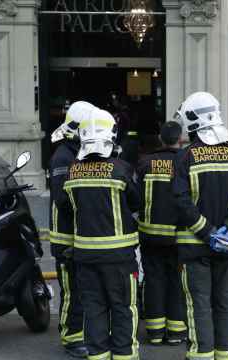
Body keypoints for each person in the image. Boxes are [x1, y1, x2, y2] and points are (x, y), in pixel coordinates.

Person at [172, 91, 228, 360]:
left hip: (194, 246)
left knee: (199, 305)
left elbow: (180, 200)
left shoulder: (186, 157)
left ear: (193, 122)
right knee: (225, 304)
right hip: (227, 245)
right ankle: (226, 355)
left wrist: (206, 232)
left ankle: (200, 356)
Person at [62, 108, 141, 360]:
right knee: (123, 308)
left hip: (85, 255)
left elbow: (64, 206)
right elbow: (137, 202)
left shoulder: (72, 170)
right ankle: (124, 356)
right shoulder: (121, 169)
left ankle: (97, 355)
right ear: (112, 135)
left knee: (93, 309)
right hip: (119, 257)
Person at [48, 101, 94, 358]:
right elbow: (62, 199)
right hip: (66, 239)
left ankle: (81, 333)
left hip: (80, 236)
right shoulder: (63, 156)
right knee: (72, 292)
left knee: (83, 290)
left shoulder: (78, 152)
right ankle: (72, 338)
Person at [135, 121, 187, 346]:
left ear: (160, 138)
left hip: (149, 235)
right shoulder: (185, 161)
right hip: (178, 236)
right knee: (176, 281)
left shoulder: (144, 163)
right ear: (180, 139)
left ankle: (155, 333)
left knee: (154, 280)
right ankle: (176, 333)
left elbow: (134, 198)